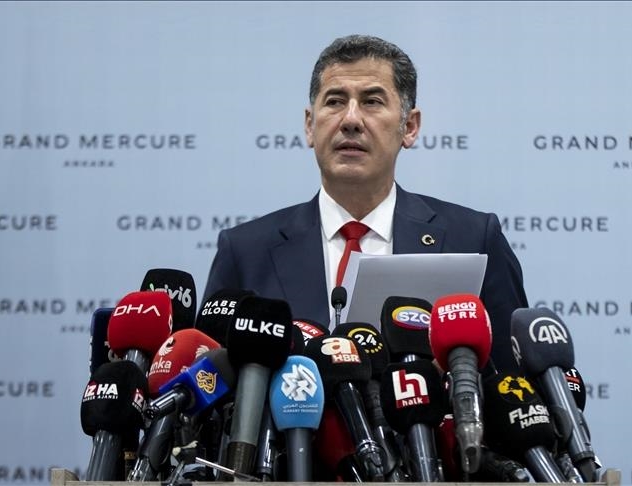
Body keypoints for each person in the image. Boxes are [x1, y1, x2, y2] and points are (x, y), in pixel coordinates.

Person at [203, 35, 527, 371]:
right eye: (334, 102)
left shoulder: (473, 239)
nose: (351, 120)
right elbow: (210, 382)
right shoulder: (246, 252)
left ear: (409, 127)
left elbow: (515, 382)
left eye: (372, 101)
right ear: (310, 125)